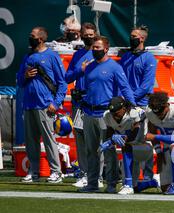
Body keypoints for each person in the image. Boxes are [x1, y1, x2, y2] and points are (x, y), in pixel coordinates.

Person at [78, 35, 136, 193]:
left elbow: (125, 88)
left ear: (106, 49)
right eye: (93, 47)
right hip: (89, 112)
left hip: (106, 114)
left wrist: (133, 106)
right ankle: (92, 184)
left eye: (97, 47)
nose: (94, 50)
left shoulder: (115, 67)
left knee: (108, 151)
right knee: (91, 151)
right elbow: (89, 89)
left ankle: (111, 183)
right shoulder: (89, 67)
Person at [17, 26, 67, 183]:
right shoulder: (28, 56)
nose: (29, 37)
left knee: (48, 139)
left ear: (40, 38)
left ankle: (56, 172)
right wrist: (24, 75)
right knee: (31, 141)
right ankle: (34, 171)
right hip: (29, 104)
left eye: (32, 35)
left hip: (45, 105)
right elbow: (20, 80)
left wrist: (56, 102)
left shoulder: (51, 56)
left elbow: (62, 82)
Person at [119, 25, 157, 183]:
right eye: (131, 35)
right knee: (129, 142)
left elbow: (146, 86)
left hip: (141, 105)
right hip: (127, 105)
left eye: (134, 35)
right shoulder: (126, 57)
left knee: (144, 141)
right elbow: (120, 80)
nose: (131, 38)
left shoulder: (149, 59)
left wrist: (129, 100)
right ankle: (131, 178)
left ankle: (148, 176)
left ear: (142, 38)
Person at [100, 97, 159, 195]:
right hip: (131, 149)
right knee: (135, 186)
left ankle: (128, 184)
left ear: (123, 109)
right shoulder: (107, 115)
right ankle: (153, 183)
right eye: (112, 113)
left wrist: (114, 139)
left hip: (143, 147)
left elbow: (133, 137)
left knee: (126, 146)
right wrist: (111, 138)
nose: (114, 116)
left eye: (116, 113)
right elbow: (110, 132)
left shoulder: (134, 114)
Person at [65, 22, 97, 188]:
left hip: (96, 103)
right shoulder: (78, 55)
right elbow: (68, 77)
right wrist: (80, 70)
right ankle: (84, 173)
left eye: (91, 34)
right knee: (81, 140)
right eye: (86, 34)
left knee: (96, 142)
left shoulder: (100, 54)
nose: (88, 37)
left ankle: (96, 175)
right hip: (79, 102)